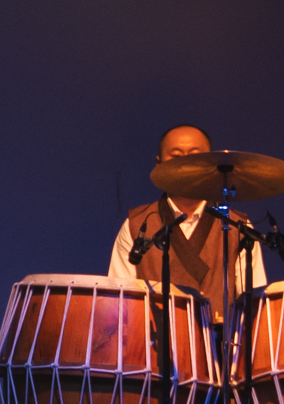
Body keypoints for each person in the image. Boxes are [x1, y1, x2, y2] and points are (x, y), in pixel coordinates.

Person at [107, 123, 272, 306]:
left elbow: (253, 306)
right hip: (151, 325)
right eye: (176, 156)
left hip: (221, 325)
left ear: (212, 163)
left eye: (194, 156)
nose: (185, 163)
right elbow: (120, 303)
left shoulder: (237, 226)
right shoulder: (136, 225)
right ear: (158, 164)